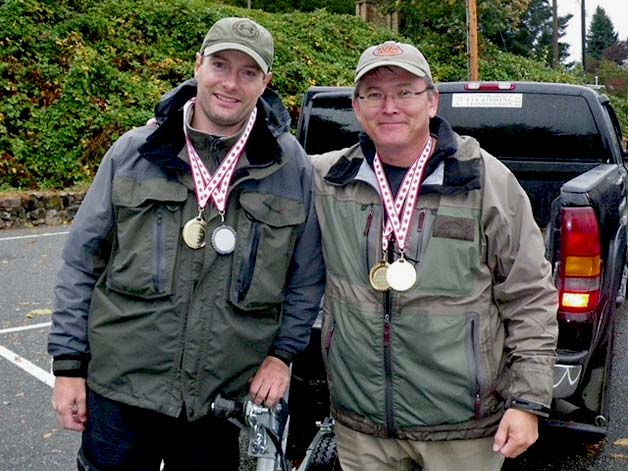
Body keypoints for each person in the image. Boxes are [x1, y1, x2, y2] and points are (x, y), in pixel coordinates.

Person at [48, 16, 325, 471]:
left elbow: (306, 276)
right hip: (120, 389)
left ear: (265, 83)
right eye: (220, 65)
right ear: (197, 65)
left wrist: (282, 356)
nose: (230, 84)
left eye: (248, 72)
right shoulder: (134, 152)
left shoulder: (289, 165)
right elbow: (80, 264)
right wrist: (68, 368)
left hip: (221, 401)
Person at [311, 41, 558, 471]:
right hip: (362, 430)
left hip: (463, 430)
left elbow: (530, 296)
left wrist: (528, 401)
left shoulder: (486, 181)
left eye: (405, 91)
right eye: (374, 94)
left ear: (431, 100)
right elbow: (257, 163)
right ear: (356, 106)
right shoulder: (328, 180)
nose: (390, 106)